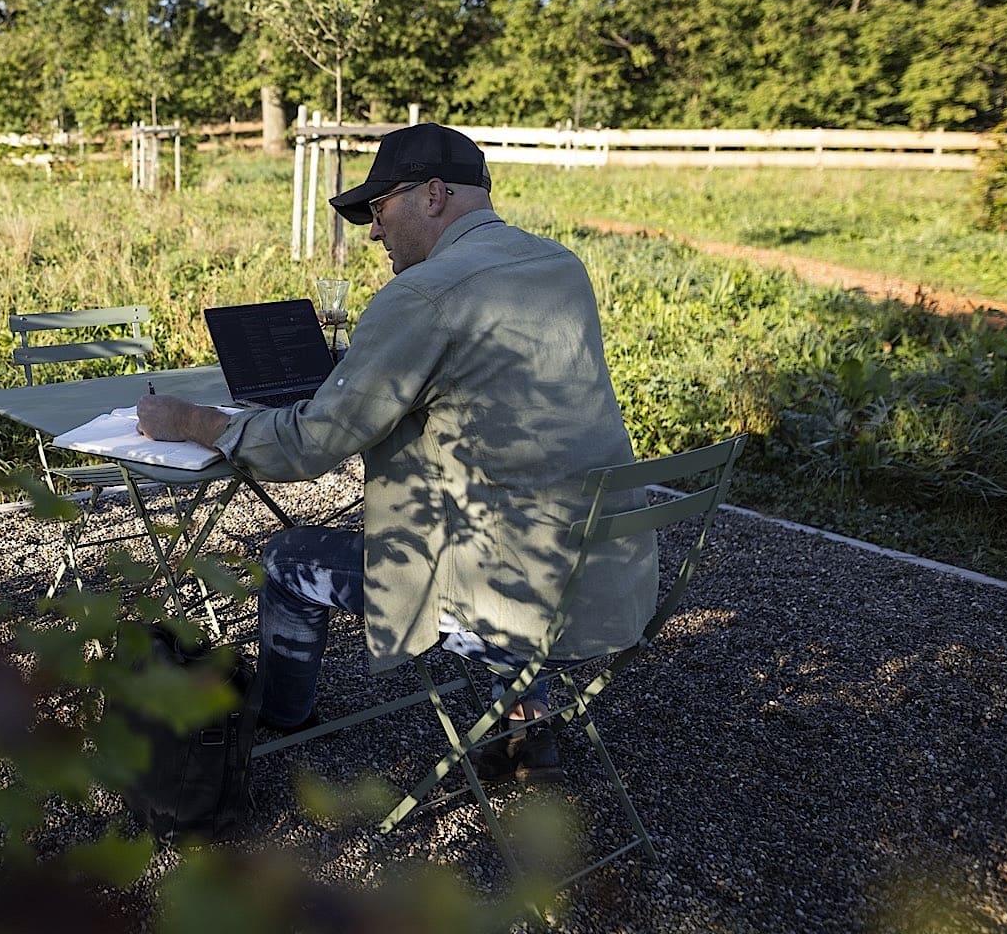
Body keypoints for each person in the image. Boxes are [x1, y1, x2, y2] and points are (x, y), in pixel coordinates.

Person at [136, 124, 655, 783]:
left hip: (509, 607)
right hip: (608, 587)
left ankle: (282, 720)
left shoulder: (421, 294)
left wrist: (192, 420)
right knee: (511, 507)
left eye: (379, 210)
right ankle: (526, 720)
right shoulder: (559, 266)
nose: (374, 232)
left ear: (432, 195)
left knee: (287, 557)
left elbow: (309, 446)